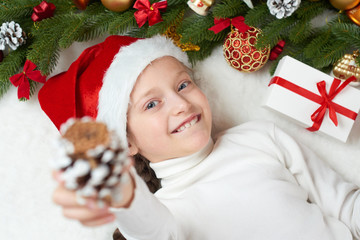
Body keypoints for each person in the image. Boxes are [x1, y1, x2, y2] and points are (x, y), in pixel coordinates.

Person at [38, 35, 360, 240]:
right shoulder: (166, 214)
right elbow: (150, 229)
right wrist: (122, 192)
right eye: (152, 104)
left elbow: (346, 206)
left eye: (182, 85)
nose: (181, 104)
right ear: (128, 143)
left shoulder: (260, 137)